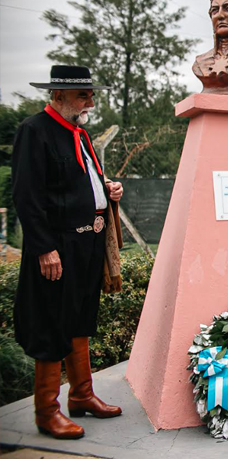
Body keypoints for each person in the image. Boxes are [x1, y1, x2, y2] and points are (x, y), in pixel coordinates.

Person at [13, 65, 124, 439]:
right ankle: (47, 412)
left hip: (88, 242)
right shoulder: (34, 132)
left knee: (80, 317)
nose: (90, 101)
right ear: (57, 96)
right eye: (83, 95)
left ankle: (82, 396)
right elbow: (26, 196)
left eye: (90, 94)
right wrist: (44, 249)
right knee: (51, 322)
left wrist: (107, 188)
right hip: (57, 247)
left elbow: (79, 181)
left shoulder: (80, 133)